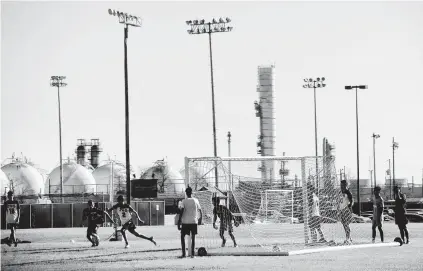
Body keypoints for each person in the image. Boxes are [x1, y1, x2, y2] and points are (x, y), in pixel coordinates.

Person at [177, 187, 202, 258]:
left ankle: (184, 254)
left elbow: (181, 212)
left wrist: (179, 222)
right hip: (194, 221)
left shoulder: (184, 201)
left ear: (186, 193)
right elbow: (200, 210)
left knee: (182, 236)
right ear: (192, 193)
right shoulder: (196, 200)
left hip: (185, 222)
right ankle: (193, 254)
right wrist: (200, 219)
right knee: (193, 237)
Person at [339, 180, 354, 244]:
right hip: (341, 210)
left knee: (346, 224)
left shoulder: (348, 192)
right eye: (341, 185)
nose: (342, 186)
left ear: (346, 185)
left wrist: (349, 207)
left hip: (346, 210)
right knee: (344, 225)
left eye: (343, 185)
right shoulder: (340, 192)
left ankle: (347, 238)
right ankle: (349, 238)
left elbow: (352, 201)